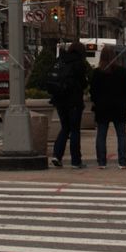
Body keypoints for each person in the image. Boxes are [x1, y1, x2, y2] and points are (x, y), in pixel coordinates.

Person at [90, 44, 126, 169]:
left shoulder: (97, 73)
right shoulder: (121, 72)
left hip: (102, 107)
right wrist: (125, 102)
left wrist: (96, 102)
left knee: (101, 134)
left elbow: (93, 91)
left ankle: (102, 161)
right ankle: (122, 161)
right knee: (121, 134)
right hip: (119, 106)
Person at [49, 41, 88, 169]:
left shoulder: (60, 59)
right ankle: (76, 161)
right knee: (75, 130)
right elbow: (83, 83)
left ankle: (57, 155)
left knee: (65, 128)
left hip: (59, 99)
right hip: (74, 101)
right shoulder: (79, 64)